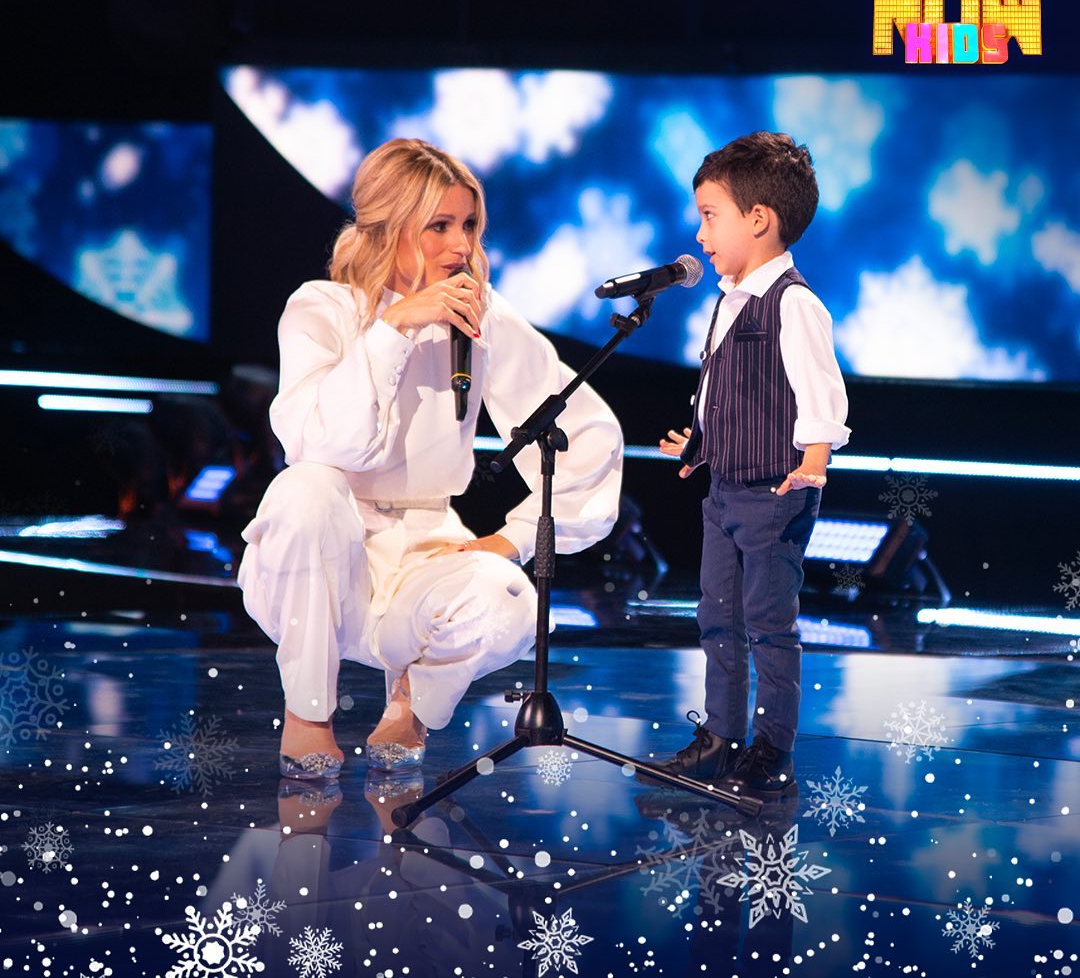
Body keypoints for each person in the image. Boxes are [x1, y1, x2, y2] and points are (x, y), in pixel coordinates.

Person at [237, 138, 623, 780]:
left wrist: (512, 539)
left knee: (510, 599)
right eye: (439, 226)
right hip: (322, 551)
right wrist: (394, 329)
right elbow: (321, 443)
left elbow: (584, 429)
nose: (460, 245)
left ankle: (412, 701)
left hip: (427, 549)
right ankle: (307, 712)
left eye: (468, 225)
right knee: (304, 489)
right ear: (387, 227)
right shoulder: (321, 308)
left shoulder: (480, 315)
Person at [649, 132, 849, 799]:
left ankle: (772, 749)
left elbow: (820, 392)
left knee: (768, 623)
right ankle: (720, 738)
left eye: (710, 216)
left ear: (758, 218)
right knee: (718, 616)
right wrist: (699, 443)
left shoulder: (792, 302)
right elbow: (723, 391)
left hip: (774, 490)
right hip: (725, 490)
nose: (700, 234)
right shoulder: (728, 299)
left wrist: (813, 463)